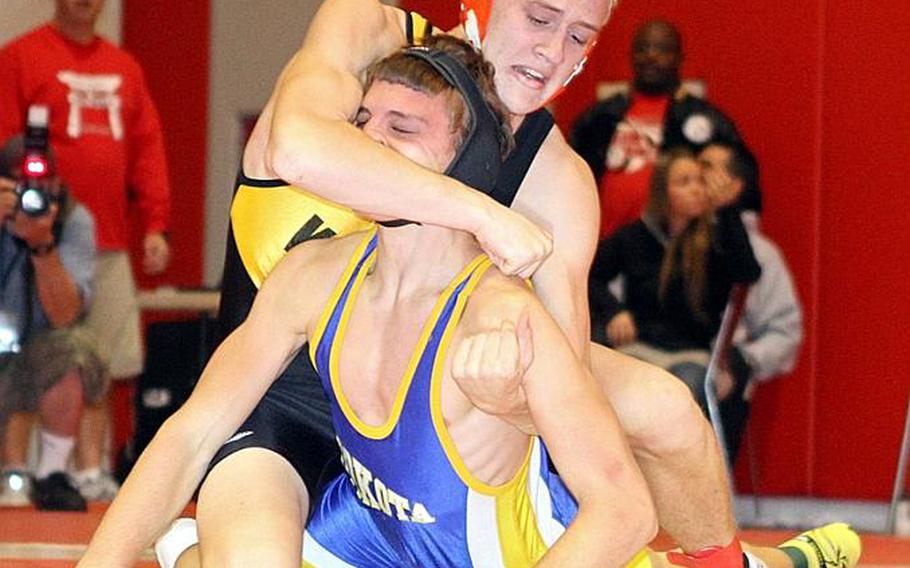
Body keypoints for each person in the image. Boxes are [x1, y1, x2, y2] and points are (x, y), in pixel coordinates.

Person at [167, 1, 853, 566]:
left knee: (665, 407)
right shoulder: (373, 33)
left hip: (420, 412)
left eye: (578, 35)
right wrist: (481, 214)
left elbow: (569, 377)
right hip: (282, 393)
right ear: (481, 6)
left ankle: (728, 565)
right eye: (538, 18)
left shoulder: (557, 182)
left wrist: (516, 398)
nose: (552, 50)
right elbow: (296, 145)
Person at [81, 37, 659, 567]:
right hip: (370, 542)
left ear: (470, 161)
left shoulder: (500, 315)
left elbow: (625, 511)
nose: (368, 141)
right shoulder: (314, 275)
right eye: (362, 121)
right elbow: (191, 435)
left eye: (402, 127)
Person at [0, 0, 172, 501]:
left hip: (106, 239)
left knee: (104, 363)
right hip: (20, 240)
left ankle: (88, 472)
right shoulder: (20, 57)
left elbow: (147, 147)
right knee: (28, 356)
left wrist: (156, 224)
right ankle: (20, 472)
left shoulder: (124, 68)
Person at [588, 147, 762, 412]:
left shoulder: (716, 239)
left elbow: (747, 272)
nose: (696, 190)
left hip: (692, 354)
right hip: (639, 348)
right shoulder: (636, 236)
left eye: (700, 182)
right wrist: (614, 311)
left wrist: (728, 212)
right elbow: (591, 274)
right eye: (684, 182)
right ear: (663, 192)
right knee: (619, 389)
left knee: (678, 393)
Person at [0, 134, 105, 511]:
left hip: (34, 353)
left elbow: (66, 314)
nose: (33, 194)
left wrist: (43, 246)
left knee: (72, 350)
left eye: (42, 184)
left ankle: (51, 474)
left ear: (57, 184)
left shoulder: (72, 219)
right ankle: (9, 473)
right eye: (21, 184)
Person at [569, 19, 750, 239]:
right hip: (603, 244)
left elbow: (741, 185)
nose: (651, 56)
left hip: (675, 249)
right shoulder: (599, 117)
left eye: (662, 49)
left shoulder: (705, 121)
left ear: (679, 58)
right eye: (643, 48)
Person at [698, 141, 803, 462]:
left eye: (708, 170)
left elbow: (786, 333)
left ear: (735, 186)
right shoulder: (658, 238)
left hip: (723, 365)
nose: (698, 176)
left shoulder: (760, 254)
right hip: (662, 352)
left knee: (710, 378)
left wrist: (743, 360)